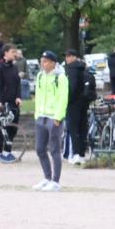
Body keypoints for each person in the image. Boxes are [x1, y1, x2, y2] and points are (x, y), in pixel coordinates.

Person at [32, 51, 68, 191]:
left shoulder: (61, 77)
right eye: (42, 61)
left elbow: (62, 98)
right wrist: (37, 114)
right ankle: (46, 177)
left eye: (46, 61)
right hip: (41, 116)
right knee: (40, 148)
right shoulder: (40, 76)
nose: (43, 63)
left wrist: (58, 117)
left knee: (54, 149)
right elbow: (39, 95)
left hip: (54, 117)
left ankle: (55, 181)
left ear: (53, 63)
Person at [0, 44, 21, 163]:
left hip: (14, 102)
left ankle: (7, 151)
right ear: (5, 53)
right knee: (3, 128)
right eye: (12, 51)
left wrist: (19, 96)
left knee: (13, 129)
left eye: (15, 51)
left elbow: (18, 83)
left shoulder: (14, 67)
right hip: (4, 102)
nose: (15, 54)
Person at [63, 49, 89, 164]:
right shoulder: (83, 68)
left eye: (68, 56)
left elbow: (71, 87)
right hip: (83, 102)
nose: (66, 58)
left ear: (74, 57)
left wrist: (67, 100)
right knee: (82, 128)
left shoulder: (71, 69)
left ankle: (76, 153)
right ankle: (82, 153)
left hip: (73, 103)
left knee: (73, 129)